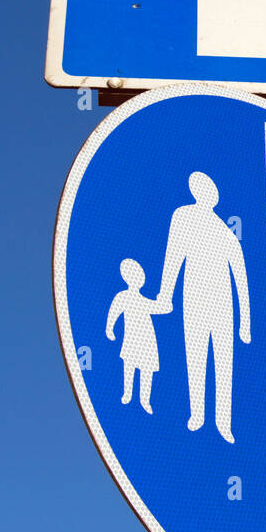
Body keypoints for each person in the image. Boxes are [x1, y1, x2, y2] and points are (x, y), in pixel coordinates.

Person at [155, 171, 250, 444]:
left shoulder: (225, 231)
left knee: (224, 362)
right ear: (194, 190)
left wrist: (245, 321)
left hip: (224, 304)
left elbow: (240, 276)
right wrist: (165, 295)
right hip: (194, 297)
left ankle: (224, 422)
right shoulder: (183, 216)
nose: (207, 192)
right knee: (195, 356)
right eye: (202, 187)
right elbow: (173, 255)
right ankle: (197, 414)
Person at [105, 259, 162, 412]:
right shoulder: (123, 296)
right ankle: (127, 394)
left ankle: (145, 401)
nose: (139, 278)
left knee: (147, 370)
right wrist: (109, 329)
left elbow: (156, 307)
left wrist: (165, 305)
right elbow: (114, 312)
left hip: (148, 339)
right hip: (132, 338)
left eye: (140, 275)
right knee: (129, 365)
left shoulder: (143, 300)